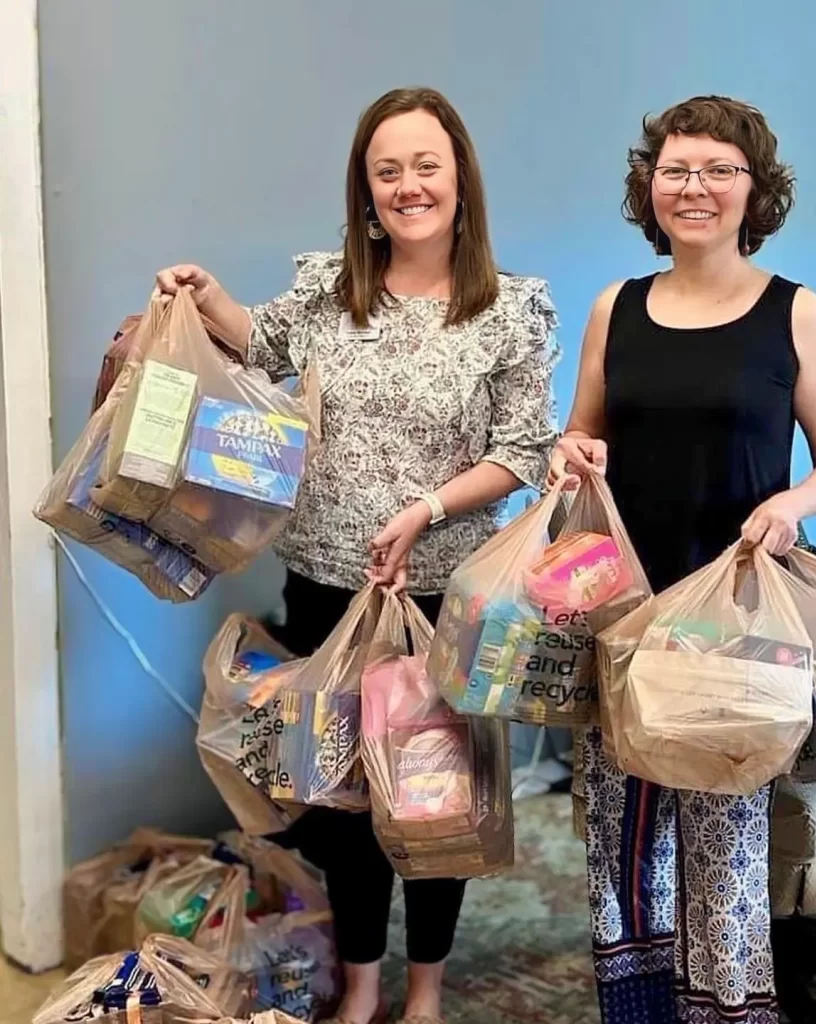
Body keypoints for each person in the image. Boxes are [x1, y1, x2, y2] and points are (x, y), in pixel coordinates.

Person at [155, 86, 559, 1024]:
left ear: (461, 177)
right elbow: (258, 343)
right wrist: (201, 293)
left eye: (427, 165)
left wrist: (426, 506)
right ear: (365, 189)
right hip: (326, 585)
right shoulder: (330, 289)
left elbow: (524, 450)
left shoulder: (510, 309)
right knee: (339, 797)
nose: (408, 185)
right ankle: (364, 982)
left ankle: (424, 990)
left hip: (441, 599)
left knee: (434, 798)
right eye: (388, 171)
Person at [549, 95, 816, 1024]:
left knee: (724, 847)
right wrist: (569, 454)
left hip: (738, 631)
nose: (695, 188)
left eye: (719, 170)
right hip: (623, 620)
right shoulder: (618, 307)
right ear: (649, 188)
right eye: (676, 169)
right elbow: (580, 434)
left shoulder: (794, 313)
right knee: (624, 843)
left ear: (754, 191)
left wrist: (792, 503)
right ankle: (636, 1013)